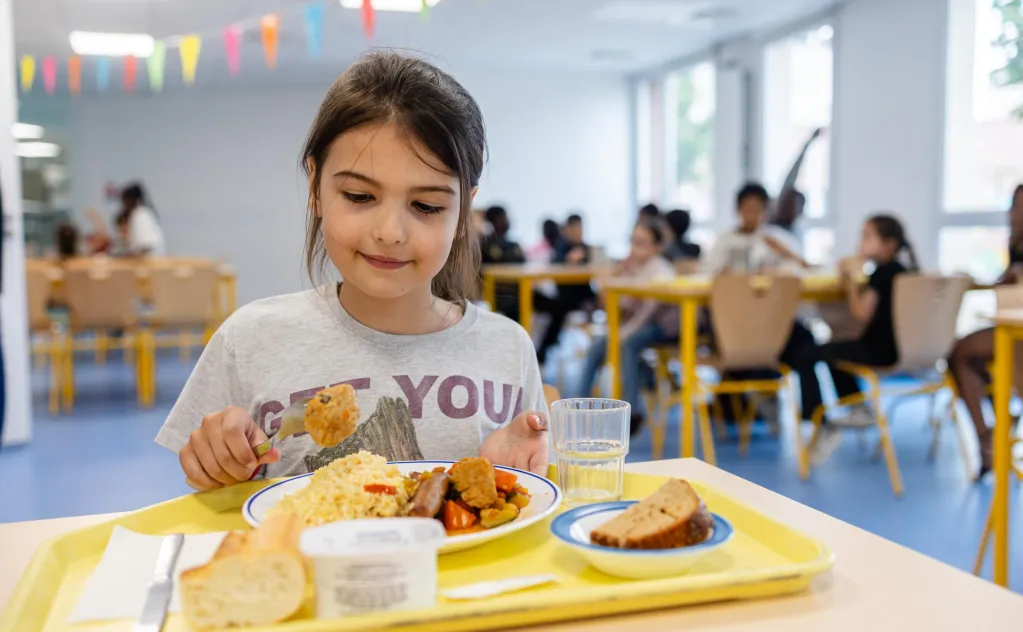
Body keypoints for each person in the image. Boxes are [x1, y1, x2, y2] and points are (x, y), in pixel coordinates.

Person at [155, 52, 550, 491]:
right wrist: (217, 462)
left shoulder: (507, 349)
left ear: (463, 211)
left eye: (427, 206)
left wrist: (506, 476)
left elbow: (526, 506)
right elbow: (215, 511)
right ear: (315, 188)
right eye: (360, 196)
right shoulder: (251, 341)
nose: (390, 232)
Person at [790, 214, 919, 463]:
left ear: (889, 244)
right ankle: (855, 405)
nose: (861, 242)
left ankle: (821, 421)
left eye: (868, 236)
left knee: (807, 354)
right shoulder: (904, 271)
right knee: (835, 352)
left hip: (880, 350)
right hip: (906, 349)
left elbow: (860, 313)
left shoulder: (881, 274)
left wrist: (850, 279)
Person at [947, 184, 1023, 477]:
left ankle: (988, 434)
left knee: (961, 353)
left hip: (1014, 333)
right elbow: (1007, 286)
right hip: (1008, 326)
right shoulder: (1014, 243)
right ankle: (990, 431)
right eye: (1015, 206)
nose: (1016, 213)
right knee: (963, 355)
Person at [575, 219, 677, 435]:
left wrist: (620, 335)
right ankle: (577, 406)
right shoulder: (634, 268)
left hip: (663, 327)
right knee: (596, 348)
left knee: (626, 345)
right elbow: (622, 304)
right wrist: (618, 275)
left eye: (642, 243)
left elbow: (645, 315)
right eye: (633, 242)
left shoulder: (661, 272)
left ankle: (632, 412)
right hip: (636, 326)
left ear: (657, 247)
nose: (634, 248)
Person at [533, 214, 596, 364]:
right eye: (574, 229)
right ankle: (543, 350)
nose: (577, 233)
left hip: (585, 295)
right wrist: (569, 259)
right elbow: (554, 264)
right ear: (567, 230)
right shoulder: (561, 247)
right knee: (559, 310)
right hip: (567, 296)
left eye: (579, 229)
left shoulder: (587, 248)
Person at [705, 182, 806, 274]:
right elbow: (709, 271)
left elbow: (802, 268)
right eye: (748, 209)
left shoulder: (777, 238)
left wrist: (782, 252)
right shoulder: (724, 240)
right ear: (738, 209)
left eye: (757, 210)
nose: (752, 216)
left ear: (765, 211)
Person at [766, 127, 825, 256]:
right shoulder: (767, 225)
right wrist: (808, 143)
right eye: (787, 204)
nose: (789, 209)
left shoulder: (797, 230)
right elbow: (792, 173)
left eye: (795, 207)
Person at [479, 205, 526, 320]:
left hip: (523, 289)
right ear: (492, 222)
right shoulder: (485, 244)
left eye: (506, 217)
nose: (506, 221)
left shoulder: (514, 245)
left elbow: (525, 267)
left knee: (556, 305)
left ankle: (549, 339)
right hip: (499, 293)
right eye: (502, 218)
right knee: (515, 307)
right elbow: (480, 271)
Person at [119, 183, 166, 257]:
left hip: (150, 263)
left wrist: (131, 256)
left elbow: (147, 245)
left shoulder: (140, 215)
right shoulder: (138, 214)